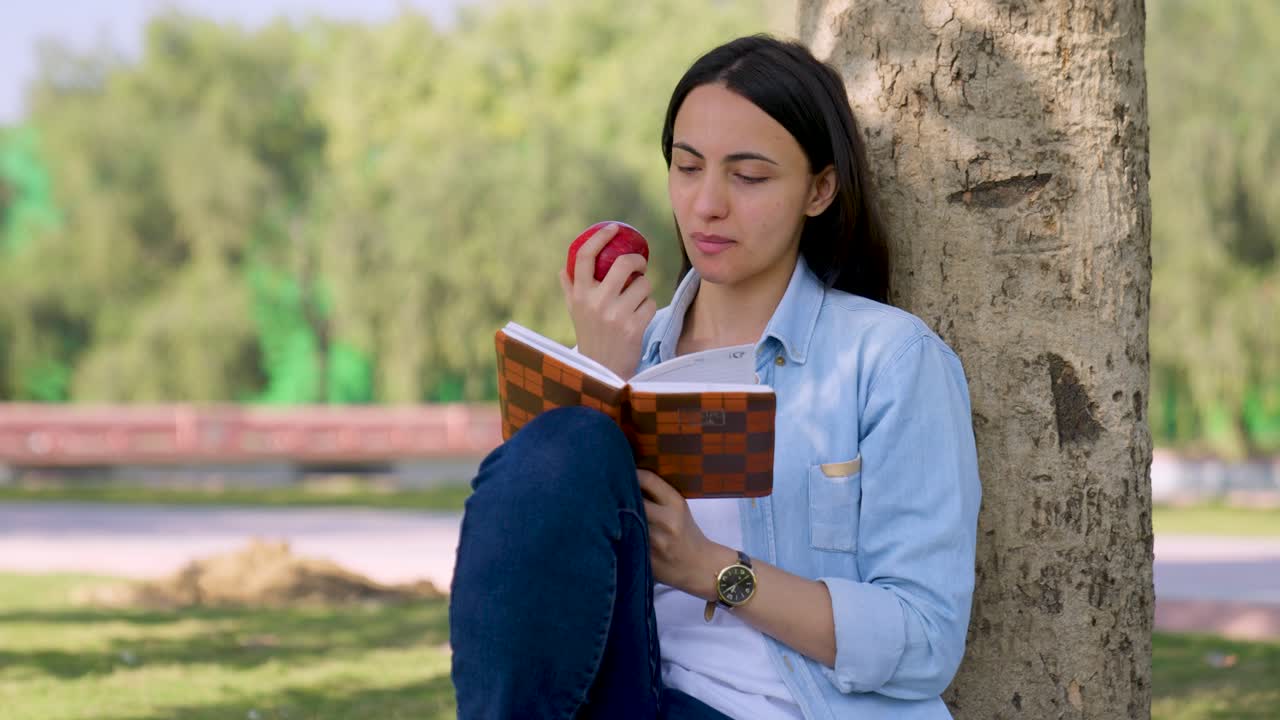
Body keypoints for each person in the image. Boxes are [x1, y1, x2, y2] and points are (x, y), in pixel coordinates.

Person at [450, 34, 981, 719]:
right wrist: (597, 376)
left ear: (819, 189)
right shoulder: (634, 351)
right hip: (630, 696)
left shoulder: (888, 360)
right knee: (561, 447)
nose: (706, 204)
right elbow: (529, 590)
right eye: (687, 167)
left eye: (748, 176)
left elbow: (925, 640)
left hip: (793, 708)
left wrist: (715, 570)